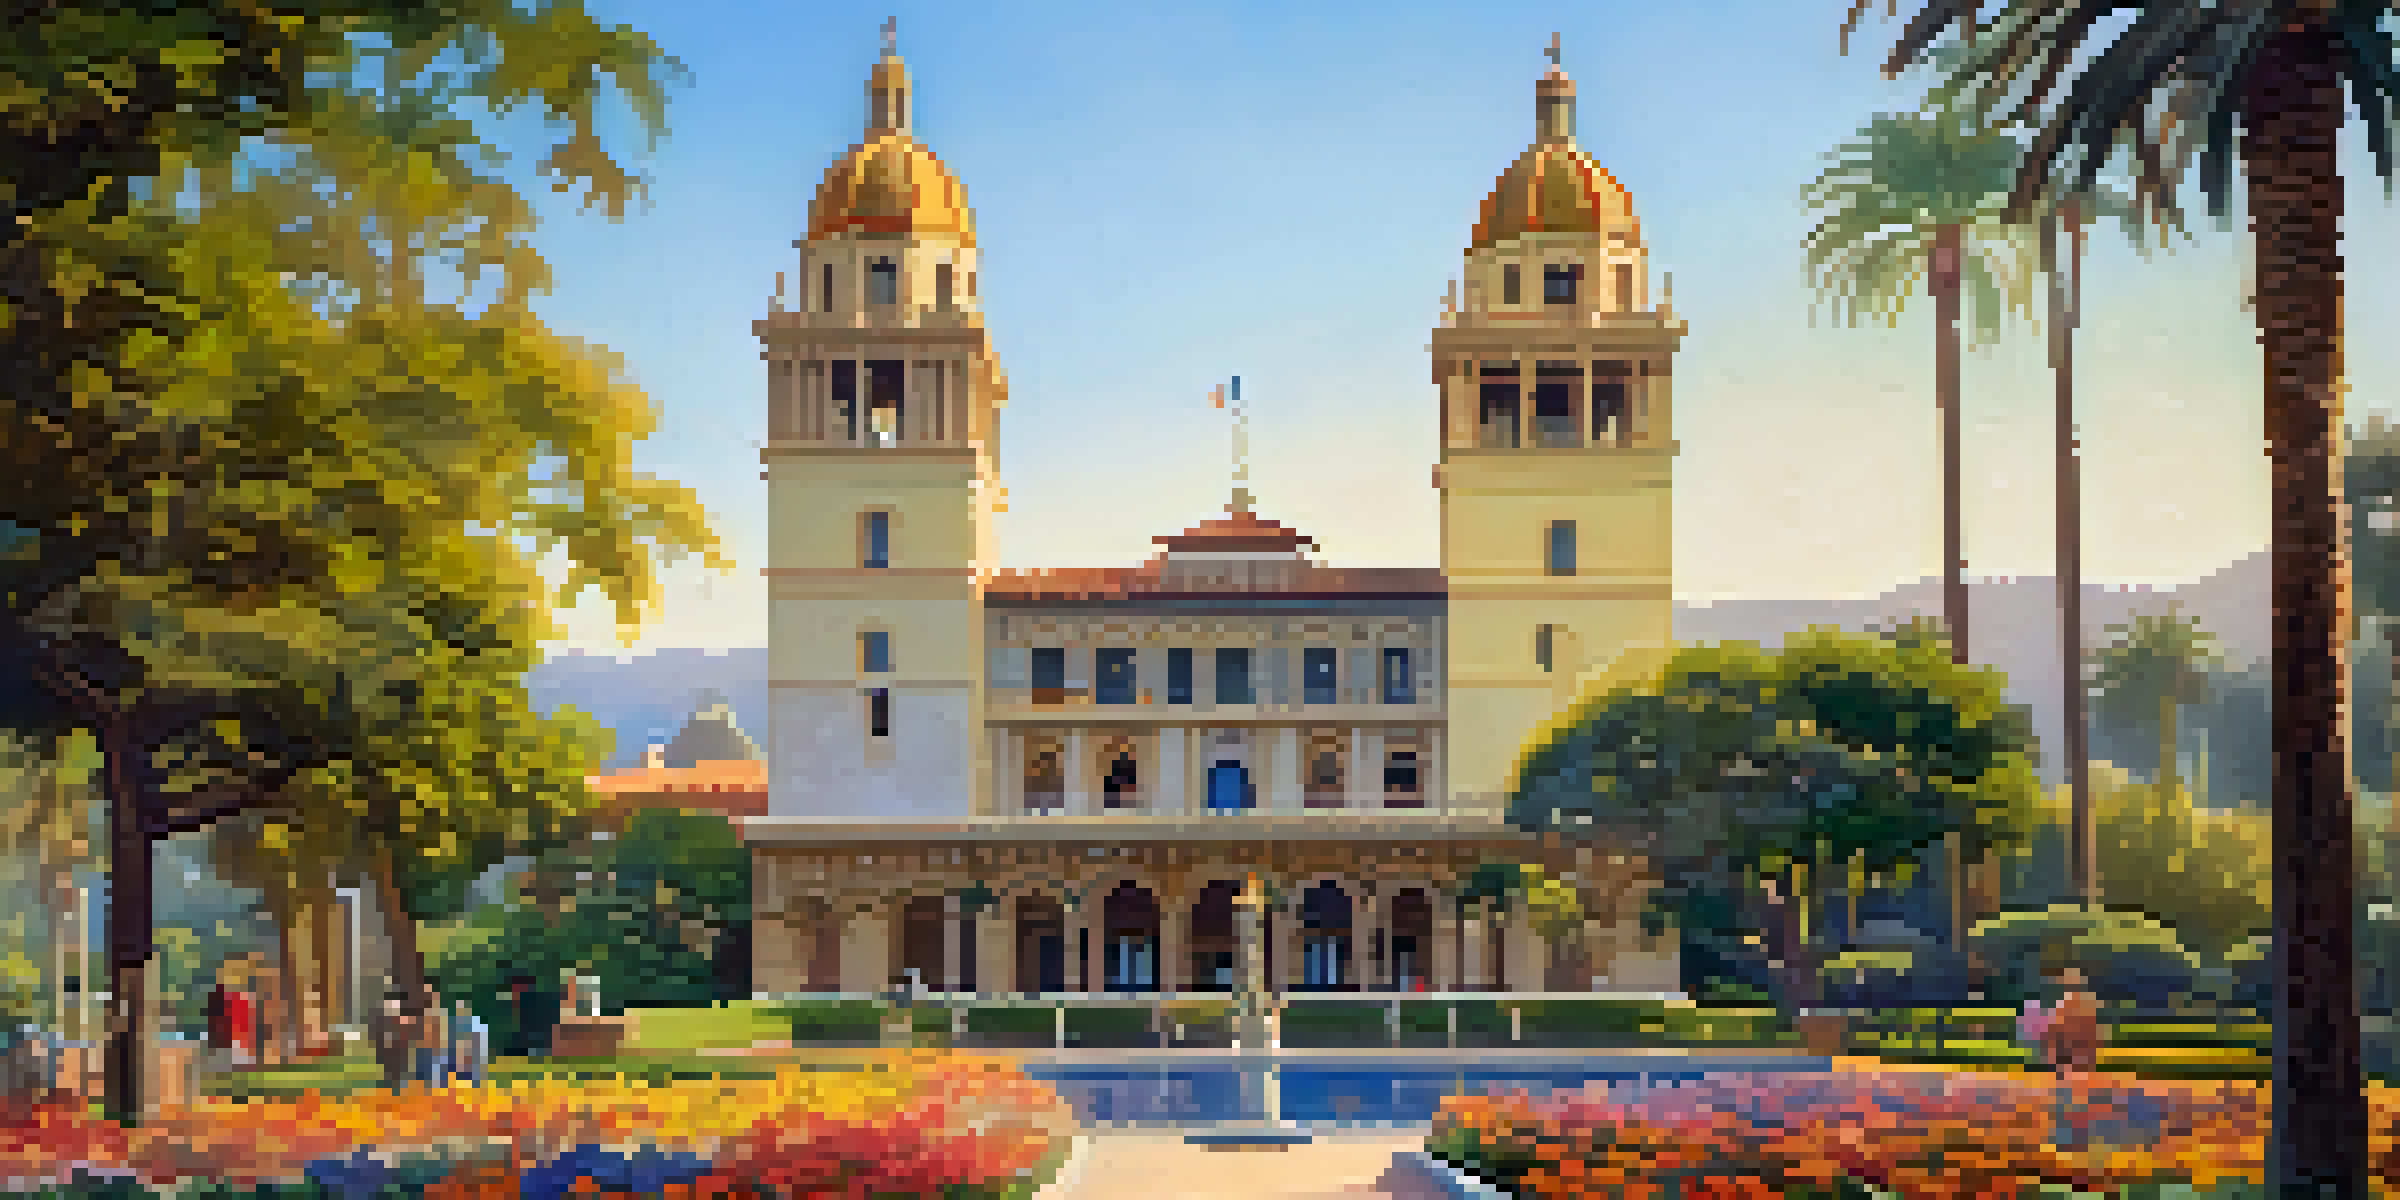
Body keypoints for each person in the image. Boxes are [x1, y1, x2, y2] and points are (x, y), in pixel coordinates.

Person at [450, 999, 488, 1088]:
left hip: (473, 1054)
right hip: (462, 1055)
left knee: (472, 1073)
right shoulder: (455, 1022)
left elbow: (480, 1040)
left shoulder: (475, 1022)